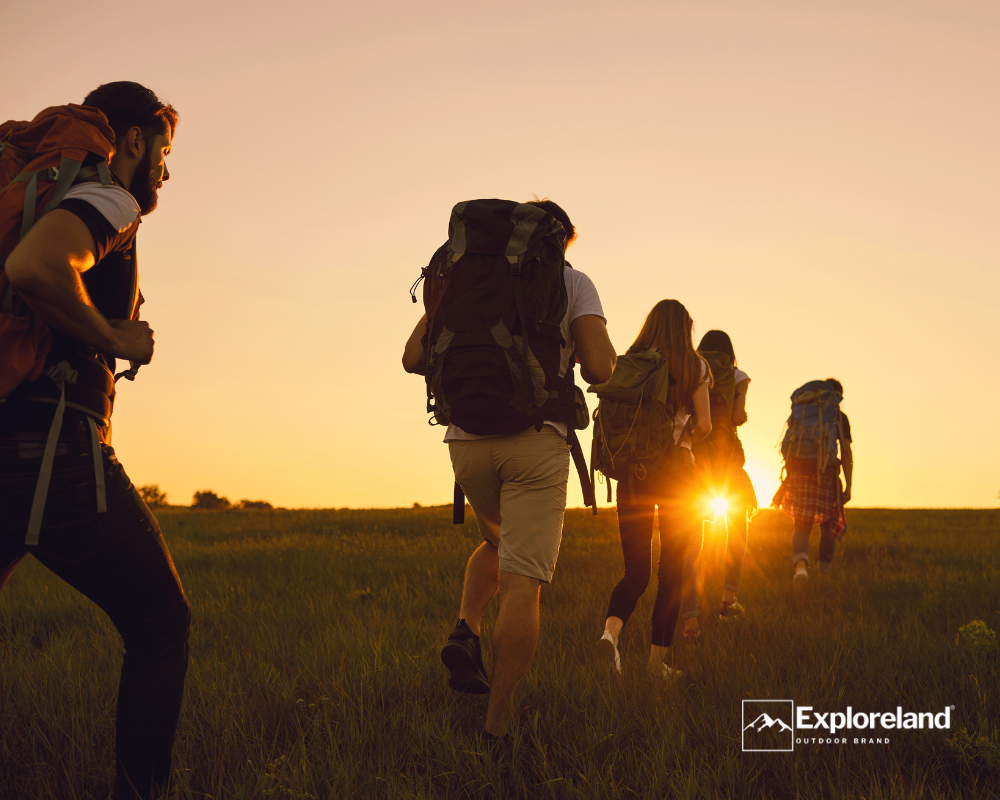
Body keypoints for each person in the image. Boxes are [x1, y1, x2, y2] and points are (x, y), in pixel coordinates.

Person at [0, 82, 190, 800]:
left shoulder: (31, 193)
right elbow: (36, 268)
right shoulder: (109, 196)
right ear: (133, 141)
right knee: (162, 623)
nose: (165, 174)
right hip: (51, 448)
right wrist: (116, 336)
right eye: (164, 152)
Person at [402, 199, 615, 739]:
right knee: (523, 583)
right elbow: (598, 365)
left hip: (465, 442)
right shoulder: (573, 282)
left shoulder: (471, 276)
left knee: (499, 544)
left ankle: (466, 629)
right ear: (561, 239)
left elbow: (411, 356)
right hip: (536, 440)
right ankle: (497, 730)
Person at [595, 299, 711, 679]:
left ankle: (610, 638)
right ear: (684, 329)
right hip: (677, 477)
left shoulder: (633, 362)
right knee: (672, 572)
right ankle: (656, 663)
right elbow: (707, 426)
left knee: (636, 572)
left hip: (634, 474)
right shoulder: (695, 366)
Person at [680, 330, 758, 639]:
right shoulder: (738, 376)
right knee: (737, 528)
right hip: (728, 460)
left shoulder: (692, 369)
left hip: (693, 458)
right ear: (730, 351)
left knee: (688, 542)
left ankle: (689, 623)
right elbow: (737, 417)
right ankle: (728, 602)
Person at [773, 378, 853, 581]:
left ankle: (800, 568)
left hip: (799, 470)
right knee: (828, 525)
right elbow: (845, 451)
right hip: (825, 472)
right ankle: (823, 575)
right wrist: (849, 484)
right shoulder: (838, 416)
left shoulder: (802, 413)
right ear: (837, 397)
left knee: (801, 524)